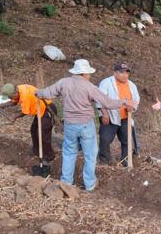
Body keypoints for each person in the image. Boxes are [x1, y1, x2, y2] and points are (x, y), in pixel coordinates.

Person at [36, 59, 135, 191]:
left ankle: (66, 183)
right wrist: (123, 102)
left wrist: (38, 93)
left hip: (70, 124)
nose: (89, 75)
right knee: (90, 154)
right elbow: (107, 103)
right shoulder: (89, 87)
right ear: (85, 73)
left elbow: (47, 93)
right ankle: (89, 184)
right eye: (89, 73)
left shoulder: (63, 82)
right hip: (86, 125)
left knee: (69, 153)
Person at [0, 83, 57, 162]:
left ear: (15, 93)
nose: (10, 98)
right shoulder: (18, 90)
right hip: (39, 110)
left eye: (10, 97)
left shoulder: (25, 96)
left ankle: (49, 156)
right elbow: (13, 102)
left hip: (47, 109)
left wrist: (14, 117)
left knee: (42, 134)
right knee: (33, 130)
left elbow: (25, 112)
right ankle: (36, 151)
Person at [97, 62, 140, 166]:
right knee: (105, 139)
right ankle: (105, 160)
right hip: (110, 116)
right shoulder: (106, 83)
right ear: (115, 73)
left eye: (126, 72)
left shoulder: (131, 85)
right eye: (122, 72)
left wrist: (132, 106)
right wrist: (104, 113)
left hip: (125, 117)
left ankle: (125, 161)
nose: (125, 75)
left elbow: (136, 99)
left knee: (127, 140)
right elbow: (100, 98)